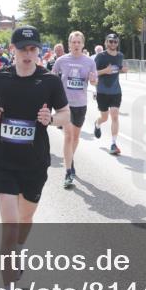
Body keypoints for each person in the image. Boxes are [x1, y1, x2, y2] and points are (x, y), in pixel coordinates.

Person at [0, 25, 69, 290]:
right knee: (10, 226)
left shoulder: (50, 80)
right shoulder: (0, 77)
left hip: (34, 164)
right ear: (13, 49)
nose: (28, 55)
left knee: (25, 221)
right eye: (22, 49)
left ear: (38, 51)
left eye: (33, 49)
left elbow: (66, 114)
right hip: (3, 162)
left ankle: (17, 251)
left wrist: (52, 119)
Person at [52, 31, 98, 188]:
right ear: (69, 44)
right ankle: (68, 171)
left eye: (79, 42)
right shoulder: (61, 60)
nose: (76, 45)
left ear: (83, 44)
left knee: (76, 137)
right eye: (74, 42)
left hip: (81, 104)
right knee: (68, 136)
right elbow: (52, 76)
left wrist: (93, 80)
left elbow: (94, 81)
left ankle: (70, 159)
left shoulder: (89, 62)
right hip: (65, 105)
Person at [92, 33, 127, 156]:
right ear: (106, 42)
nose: (112, 44)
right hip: (102, 92)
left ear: (117, 43)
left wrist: (123, 70)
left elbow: (118, 68)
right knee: (105, 117)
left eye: (115, 42)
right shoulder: (100, 56)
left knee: (115, 116)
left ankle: (113, 143)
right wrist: (105, 71)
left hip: (116, 91)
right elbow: (93, 73)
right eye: (110, 41)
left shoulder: (120, 56)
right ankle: (97, 123)